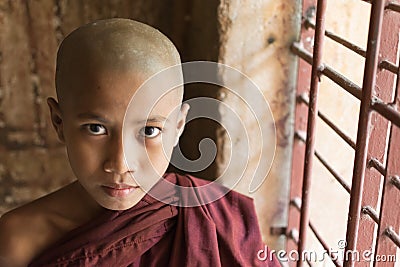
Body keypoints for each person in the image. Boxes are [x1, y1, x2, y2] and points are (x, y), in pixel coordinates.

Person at [0, 18, 279, 267]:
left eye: (149, 131)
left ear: (178, 127)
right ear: (58, 123)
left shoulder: (215, 221)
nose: (121, 163)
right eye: (96, 129)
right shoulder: (19, 239)